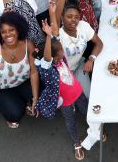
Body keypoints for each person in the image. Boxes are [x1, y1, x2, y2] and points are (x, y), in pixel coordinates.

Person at [35, 16, 88, 160]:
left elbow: (55, 45)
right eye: (58, 54)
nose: (62, 54)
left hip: (77, 91)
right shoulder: (47, 69)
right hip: (65, 102)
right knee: (70, 121)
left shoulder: (60, 57)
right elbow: (47, 57)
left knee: (86, 111)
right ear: (52, 57)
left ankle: (94, 129)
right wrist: (47, 37)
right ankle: (76, 143)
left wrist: (51, 34)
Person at [51, 0, 103, 98]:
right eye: (69, 16)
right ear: (62, 17)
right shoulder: (58, 35)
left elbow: (99, 43)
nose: (73, 20)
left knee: (88, 96)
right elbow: (54, 29)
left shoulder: (83, 26)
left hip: (78, 66)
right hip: (62, 73)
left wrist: (91, 59)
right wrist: (52, 13)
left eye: (76, 17)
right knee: (70, 102)